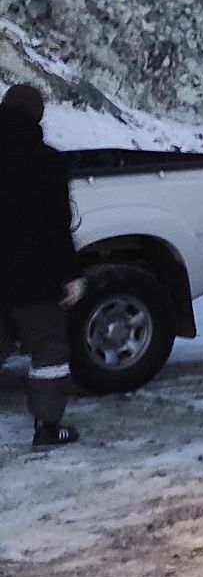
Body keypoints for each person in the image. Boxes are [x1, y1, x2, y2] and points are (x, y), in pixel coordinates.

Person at [0, 84, 83, 448]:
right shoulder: (47, 162)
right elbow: (56, 227)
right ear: (38, 116)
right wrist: (71, 274)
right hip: (35, 281)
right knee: (48, 351)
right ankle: (48, 428)